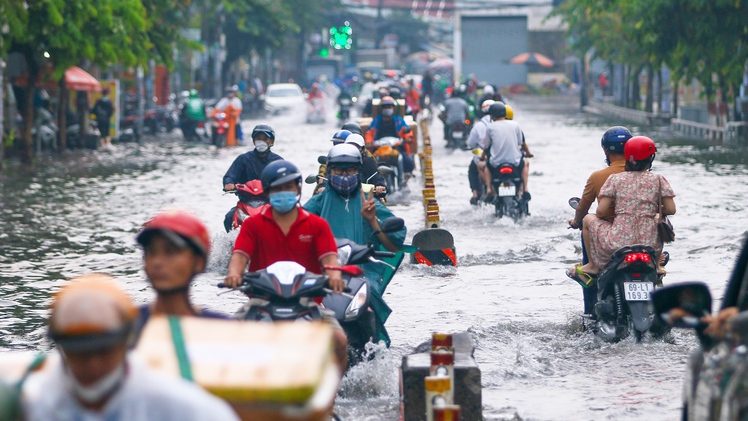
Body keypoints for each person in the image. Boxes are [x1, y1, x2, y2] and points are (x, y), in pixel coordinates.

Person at [21, 274, 239, 421]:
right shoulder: (32, 405)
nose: (93, 364)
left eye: (103, 350)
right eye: (80, 352)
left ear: (126, 342)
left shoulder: (182, 407)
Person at [223, 160, 348, 372]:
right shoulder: (253, 225)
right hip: (261, 302)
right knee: (228, 341)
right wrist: (234, 274)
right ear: (268, 192)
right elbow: (240, 255)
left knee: (339, 340)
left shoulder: (317, 225)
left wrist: (334, 276)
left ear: (298, 189)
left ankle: (330, 395)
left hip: (307, 303)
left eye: (288, 187)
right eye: (277, 188)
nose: (284, 192)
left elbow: (329, 259)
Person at [303, 144, 407, 346]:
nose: (344, 175)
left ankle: (374, 350)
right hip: (322, 270)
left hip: (361, 271)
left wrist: (372, 220)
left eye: (349, 170)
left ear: (358, 171)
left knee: (370, 304)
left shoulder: (370, 203)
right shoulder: (317, 203)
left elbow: (393, 247)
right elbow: (295, 229)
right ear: (330, 171)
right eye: (338, 170)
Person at [568, 136, 676, 286]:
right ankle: (657, 266)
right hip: (651, 245)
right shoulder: (658, 180)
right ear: (651, 158)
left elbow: (600, 212)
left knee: (588, 219)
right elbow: (671, 209)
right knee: (660, 219)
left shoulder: (615, 179)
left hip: (618, 243)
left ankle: (592, 267)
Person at [567, 126, 632, 314]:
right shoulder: (646, 176)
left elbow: (584, 209)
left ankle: (591, 272)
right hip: (642, 238)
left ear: (605, 149)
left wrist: (577, 220)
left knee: (587, 219)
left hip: (608, 240)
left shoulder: (599, 177)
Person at [134, 210, 228, 340]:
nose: (157, 262)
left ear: (199, 262)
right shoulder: (121, 329)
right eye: (151, 252)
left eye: (171, 251)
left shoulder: (223, 331)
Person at [222, 124, 283, 232]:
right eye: (258, 138)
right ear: (253, 140)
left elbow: (286, 178)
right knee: (229, 218)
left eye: (265, 139)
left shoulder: (278, 161)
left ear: (271, 141)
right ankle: (230, 246)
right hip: (246, 202)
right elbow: (230, 175)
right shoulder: (243, 159)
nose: (261, 141)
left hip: (270, 203)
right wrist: (229, 183)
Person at [481, 102, 533, 202]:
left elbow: (486, 146)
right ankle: (525, 189)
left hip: (496, 163)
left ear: (492, 114)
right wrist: (529, 153)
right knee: (526, 163)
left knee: (486, 166)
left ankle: (488, 190)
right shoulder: (515, 125)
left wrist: (482, 157)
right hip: (515, 163)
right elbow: (521, 143)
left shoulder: (490, 127)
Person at [364, 96, 415, 176]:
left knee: (408, 162)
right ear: (381, 109)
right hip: (379, 147)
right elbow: (369, 133)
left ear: (393, 108)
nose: (387, 109)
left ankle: (404, 178)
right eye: (385, 107)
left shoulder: (399, 120)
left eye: (389, 107)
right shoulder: (376, 121)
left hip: (396, 146)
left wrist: (408, 137)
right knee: (370, 164)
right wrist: (369, 142)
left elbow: (406, 130)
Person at [466, 99, 495, 205]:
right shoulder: (505, 123)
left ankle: (475, 193)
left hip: (487, 157)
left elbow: (471, 143)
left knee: (472, 169)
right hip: (502, 156)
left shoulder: (479, 125)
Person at [345, 133, 387, 197]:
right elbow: (328, 176)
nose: (353, 149)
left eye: (357, 147)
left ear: (362, 149)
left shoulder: (369, 162)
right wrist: (324, 185)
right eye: (351, 146)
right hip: (341, 198)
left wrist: (380, 186)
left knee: (380, 206)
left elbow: (377, 176)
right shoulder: (338, 161)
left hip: (366, 198)